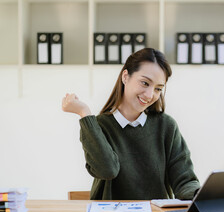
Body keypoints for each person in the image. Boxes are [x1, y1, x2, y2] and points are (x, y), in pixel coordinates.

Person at [62, 48, 200, 200]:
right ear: (125, 77)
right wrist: (84, 113)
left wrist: (201, 194)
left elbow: (185, 180)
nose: (149, 95)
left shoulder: (166, 126)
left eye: (158, 89)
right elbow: (107, 170)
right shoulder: (98, 126)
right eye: (145, 83)